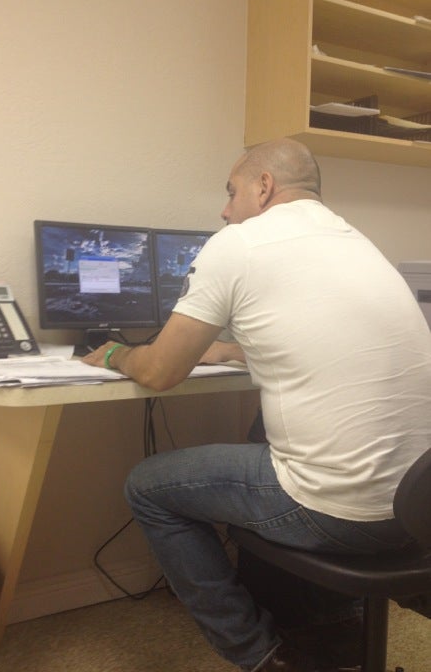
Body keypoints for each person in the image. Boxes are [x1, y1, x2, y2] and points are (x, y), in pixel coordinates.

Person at [83, 138, 431, 672]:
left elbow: (158, 372)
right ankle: (327, 624)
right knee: (262, 425)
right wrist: (227, 350)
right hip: (416, 503)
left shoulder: (240, 243)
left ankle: (260, 654)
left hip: (346, 512)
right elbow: (318, 337)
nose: (225, 211)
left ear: (264, 186)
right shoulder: (357, 241)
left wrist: (113, 353)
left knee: (148, 487)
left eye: (231, 192)